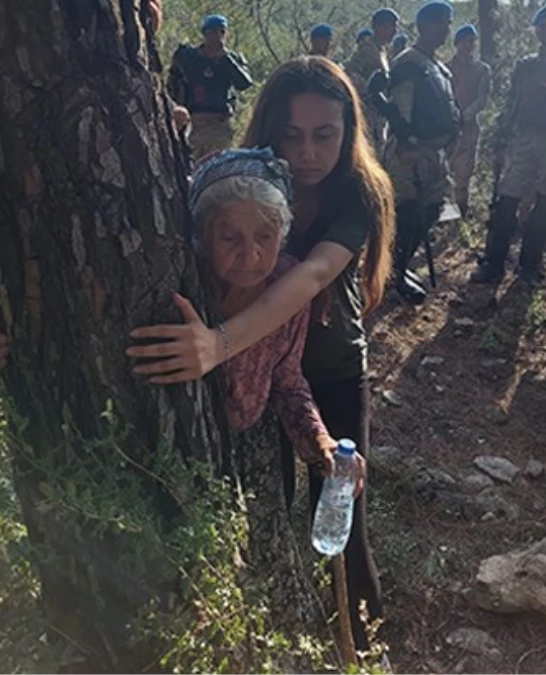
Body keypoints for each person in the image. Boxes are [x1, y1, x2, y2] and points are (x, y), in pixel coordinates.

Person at [0, 148, 368, 639]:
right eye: (230, 237)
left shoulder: (289, 285)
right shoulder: (170, 285)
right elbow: (71, 328)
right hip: (174, 454)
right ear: (200, 235)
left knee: (261, 579)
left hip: (255, 456)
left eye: (265, 236)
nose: (250, 255)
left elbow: (287, 381)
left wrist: (321, 445)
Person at [123, 57, 395, 652]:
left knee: (346, 520)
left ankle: (365, 652)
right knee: (272, 505)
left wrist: (219, 344)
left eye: (326, 135)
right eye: (292, 136)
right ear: (269, 131)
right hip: (253, 370)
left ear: (349, 131)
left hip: (329, 367)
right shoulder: (244, 179)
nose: (309, 152)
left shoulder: (358, 191)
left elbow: (312, 275)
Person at [373, 2, 461, 304]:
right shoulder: (409, 62)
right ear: (423, 26)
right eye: (439, 22)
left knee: (431, 209)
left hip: (433, 151)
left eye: (447, 22)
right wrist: (406, 143)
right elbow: (400, 109)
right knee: (406, 214)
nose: (445, 28)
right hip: (410, 151)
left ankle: (399, 267)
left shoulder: (438, 67)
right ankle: (391, 274)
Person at [472, 5, 546, 284]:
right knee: (506, 199)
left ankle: (528, 267)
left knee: (543, 205)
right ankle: (493, 264)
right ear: (536, 31)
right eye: (542, 25)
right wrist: (501, 139)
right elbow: (512, 103)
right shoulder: (526, 66)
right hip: (523, 138)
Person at [167, 15, 255, 162]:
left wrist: (225, 59)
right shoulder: (188, 57)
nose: (218, 36)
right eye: (213, 31)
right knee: (188, 167)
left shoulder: (231, 60)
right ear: (205, 34)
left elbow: (244, 83)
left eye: (222, 32)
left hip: (219, 126)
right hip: (192, 123)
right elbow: (172, 85)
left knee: (215, 169)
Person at [446, 24, 492, 219]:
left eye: (472, 41)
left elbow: (482, 99)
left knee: (464, 175)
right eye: (465, 41)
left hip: (469, 129)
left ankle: (461, 215)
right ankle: (446, 216)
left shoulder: (482, 69)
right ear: (457, 43)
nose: (469, 45)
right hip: (446, 129)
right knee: (445, 173)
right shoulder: (445, 69)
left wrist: (465, 116)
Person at [345, 9, 399, 154]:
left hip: (378, 116)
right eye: (391, 26)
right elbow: (350, 76)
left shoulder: (382, 51)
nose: (394, 31)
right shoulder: (367, 51)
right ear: (378, 27)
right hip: (366, 114)